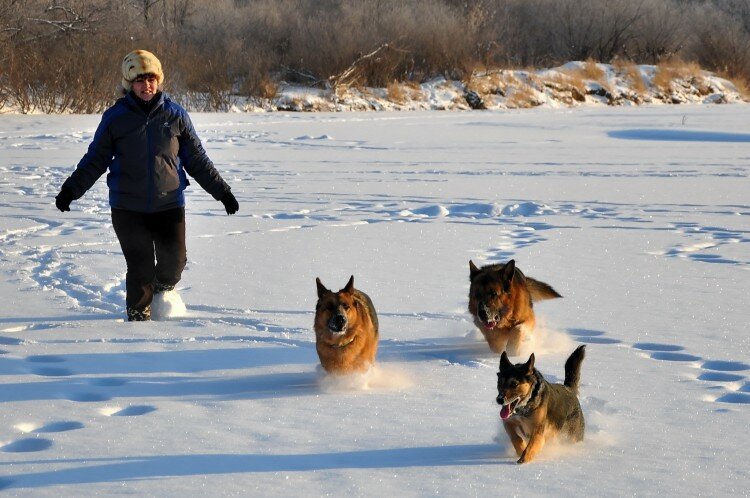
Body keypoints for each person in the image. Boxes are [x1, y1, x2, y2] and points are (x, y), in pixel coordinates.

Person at [55, 50, 239, 322]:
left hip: (169, 204)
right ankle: (138, 323)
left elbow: (196, 158)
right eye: (140, 80)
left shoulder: (175, 115)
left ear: (159, 80)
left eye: (151, 78)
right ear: (129, 83)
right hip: (128, 207)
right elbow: (96, 158)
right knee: (140, 267)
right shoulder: (115, 118)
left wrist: (222, 192)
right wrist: (71, 190)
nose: (146, 85)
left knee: (174, 264)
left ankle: (162, 293)